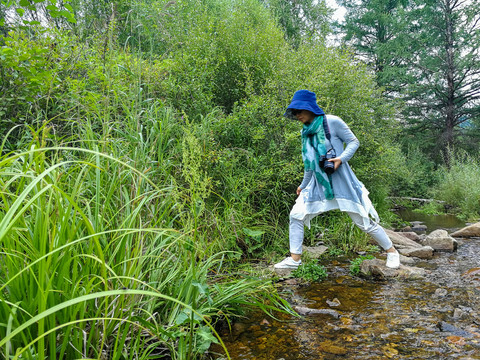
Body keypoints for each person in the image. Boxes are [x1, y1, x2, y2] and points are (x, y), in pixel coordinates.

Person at [274, 90, 400, 269]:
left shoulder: (332, 121)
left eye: (299, 110)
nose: (297, 115)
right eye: (294, 112)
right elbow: (310, 164)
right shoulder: (305, 132)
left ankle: (392, 252)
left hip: (341, 182)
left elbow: (354, 142)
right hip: (317, 184)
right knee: (296, 215)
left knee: (363, 222)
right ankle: (295, 260)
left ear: (310, 108)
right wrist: (303, 185)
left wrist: (341, 158)